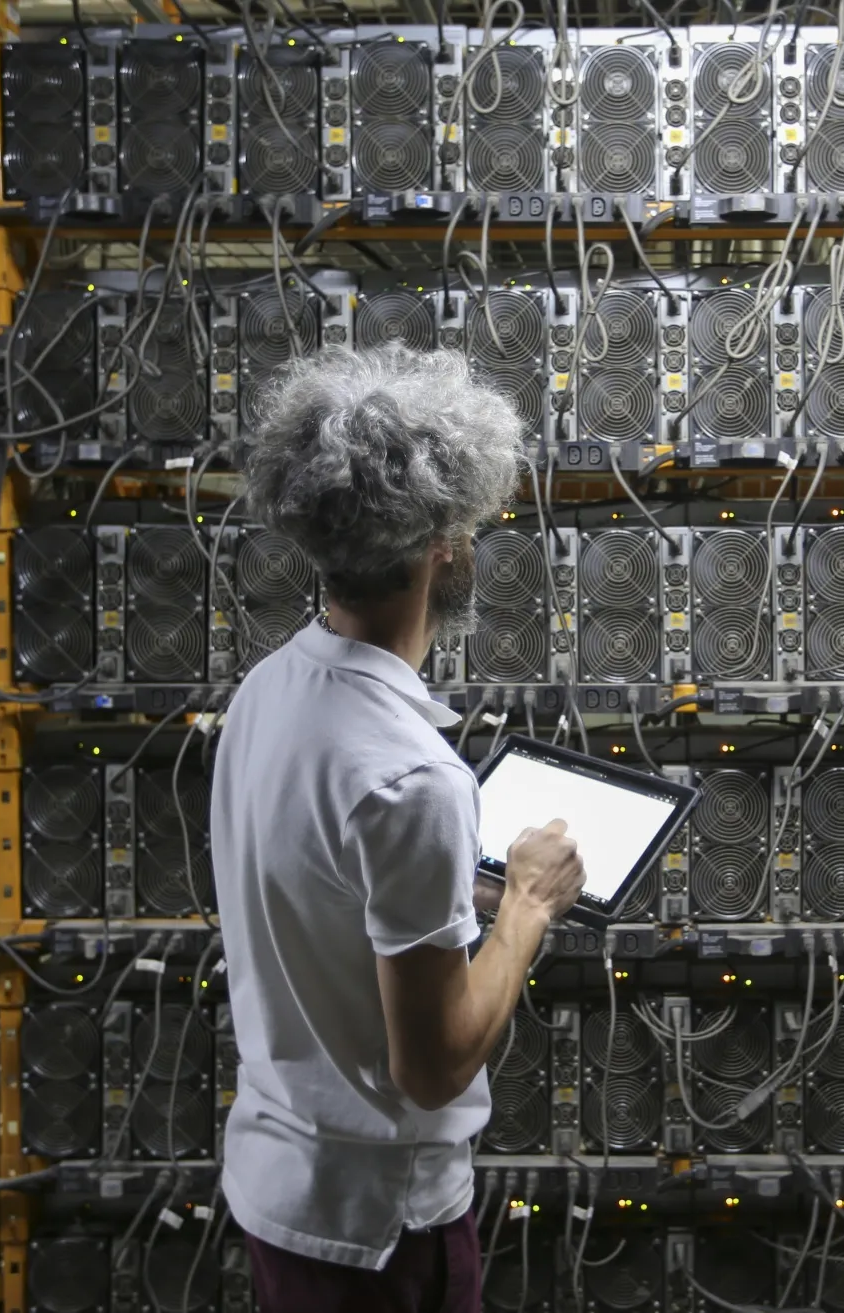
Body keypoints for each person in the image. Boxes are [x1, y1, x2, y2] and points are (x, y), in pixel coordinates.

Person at [212, 344, 586, 1312]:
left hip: (278, 1176)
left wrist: (444, 896)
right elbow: (431, 1067)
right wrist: (527, 910)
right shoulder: (410, 773)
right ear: (444, 545)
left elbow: (320, 885)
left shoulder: (270, 687)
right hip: (376, 1225)